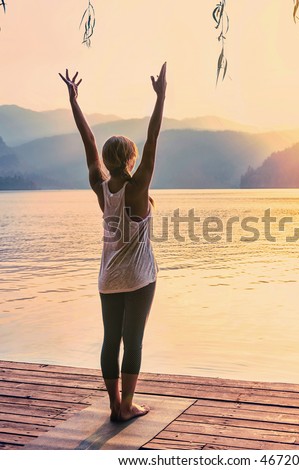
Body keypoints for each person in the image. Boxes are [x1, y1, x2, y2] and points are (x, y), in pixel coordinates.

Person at [59, 62, 167, 422]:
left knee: (111, 341)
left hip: (108, 279)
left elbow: (87, 140)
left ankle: (112, 406)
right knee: (132, 341)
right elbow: (154, 138)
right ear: (131, 160)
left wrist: (74, 100)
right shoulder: (138, 189)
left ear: (106, 161)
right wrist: (161, 96)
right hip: (138, 279)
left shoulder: (100, 187)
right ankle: (127, 405)